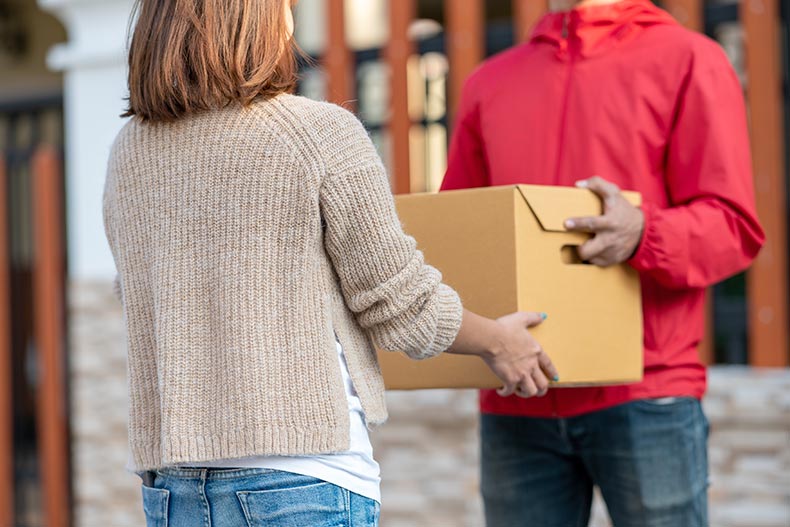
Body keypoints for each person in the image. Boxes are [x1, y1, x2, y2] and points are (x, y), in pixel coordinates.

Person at [103, 1, 559, 526]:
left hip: (172, 488)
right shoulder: (316, 134)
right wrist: (501, 342)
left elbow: (140, 300)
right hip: (298, 479)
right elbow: (400, 303)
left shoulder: (128, 151)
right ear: (257, 19)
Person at [441, 0, 765, 526]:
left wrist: (644, 233)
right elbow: (463, 233)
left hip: (646, 391)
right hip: (516, 393)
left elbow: (733, 227)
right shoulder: (489, 81)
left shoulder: (689, 60)